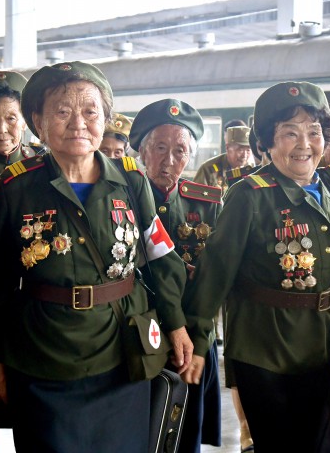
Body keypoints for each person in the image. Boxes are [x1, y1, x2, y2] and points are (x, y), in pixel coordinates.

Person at [0, 61, 192, 453]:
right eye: (63, 111)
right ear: (38, 123)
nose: (79, 123)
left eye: (90, 111)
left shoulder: (131, 179)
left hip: (123, 351)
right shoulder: (17, 186)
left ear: (105, 119)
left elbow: (160, 256)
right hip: (44, 354)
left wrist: (177, 325)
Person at [182, 81, 330, 453]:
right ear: (267, 144)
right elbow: (215, 273)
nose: (304, 144)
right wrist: (197, 340)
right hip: (264, 349)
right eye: (289, 133)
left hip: (322, 343)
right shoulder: (248, 196)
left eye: (313, 132)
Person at [128, 98, 223, 453]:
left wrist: (199, 341)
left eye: (180, 150)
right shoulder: (123, 197)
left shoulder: (208, 203)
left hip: (193, 335)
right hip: (138, 334)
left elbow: (213, 282)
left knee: (183, 432)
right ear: (141, 151)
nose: (169, 161)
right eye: (160, 148)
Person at [193, 123, 254, 192]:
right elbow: (196, 199)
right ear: (227, 148)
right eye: (240, 150)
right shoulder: (208, 170)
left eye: (248, 150)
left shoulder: (253, 170)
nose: (244, 155)